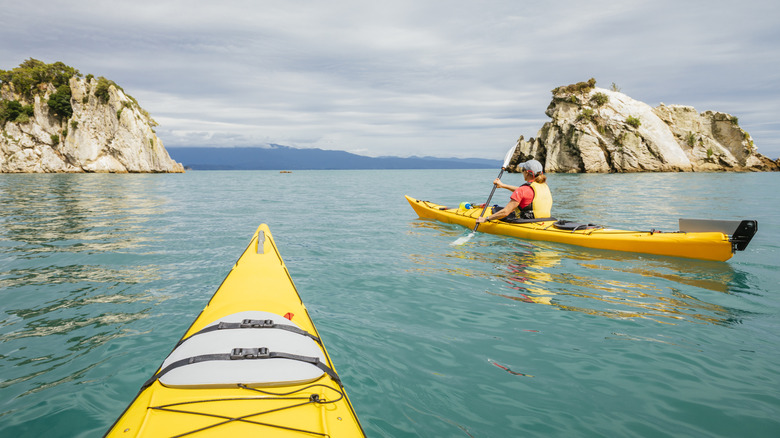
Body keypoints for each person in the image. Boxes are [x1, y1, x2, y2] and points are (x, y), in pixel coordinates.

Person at [476, 159, 553, 223]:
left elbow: (505, 212)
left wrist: (486, 219)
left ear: (526, 173)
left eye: (522, 170)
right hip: (545, 220)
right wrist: (503, 185)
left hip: (525, 222)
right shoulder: (543, 186)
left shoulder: (523, 190)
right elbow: (524, 192)